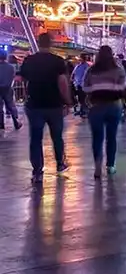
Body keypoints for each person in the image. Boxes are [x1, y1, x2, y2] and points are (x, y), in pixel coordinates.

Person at [19, 32, 73, 183]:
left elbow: (24, 80)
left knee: (35, 138)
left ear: (38, 42)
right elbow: (62, 83)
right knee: (57, 136)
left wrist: (27, 95)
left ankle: (37, 171)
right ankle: (60, 163)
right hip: (54, 104)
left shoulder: (29, 60)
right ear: (51, 43)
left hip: (34, 104)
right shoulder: (57, 61)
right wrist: (67, 101)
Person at [83, 45, 126, 178]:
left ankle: (98, 166)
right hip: (114, 106)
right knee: (111, 137)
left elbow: (85, 88)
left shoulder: (91, 70)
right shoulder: (118, 70)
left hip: (96, 106)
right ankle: (110, 166)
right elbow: (125, 89)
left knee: (97, 138)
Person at [0, 50, 21, 131]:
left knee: (0, 107)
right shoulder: (10, 67)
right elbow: (12, 76)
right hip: (8, 88)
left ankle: (1, 124)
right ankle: (16, 121)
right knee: (11, 105)